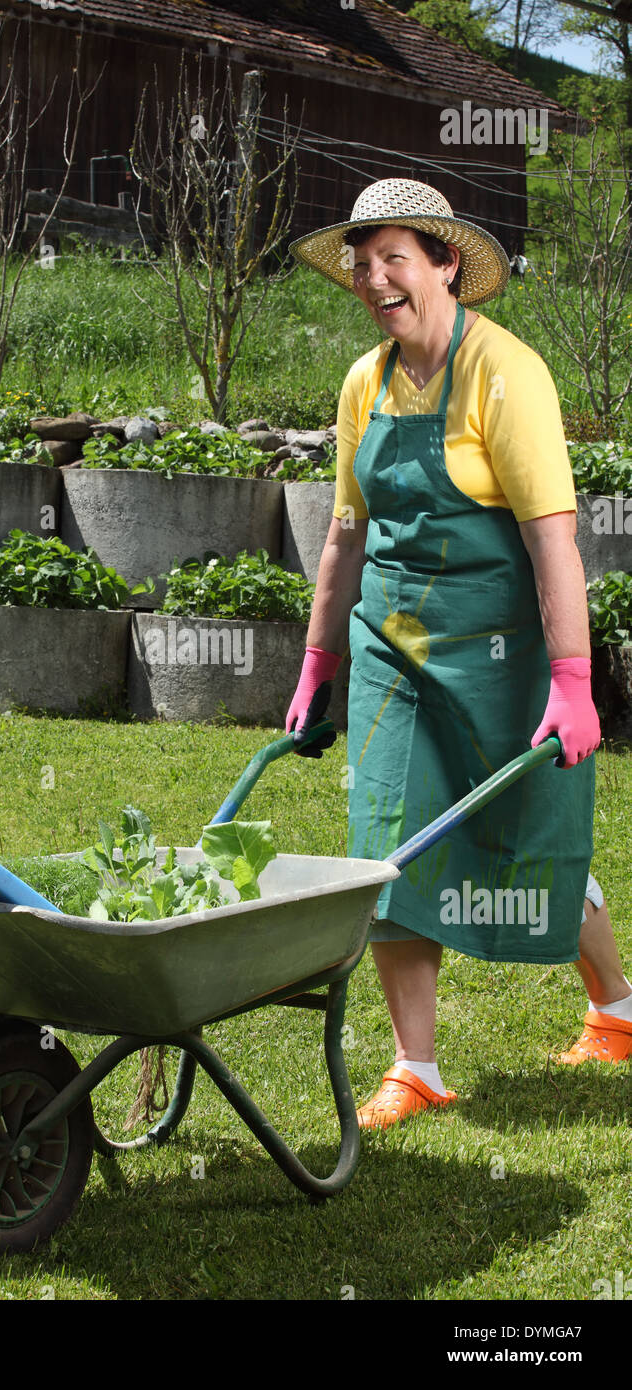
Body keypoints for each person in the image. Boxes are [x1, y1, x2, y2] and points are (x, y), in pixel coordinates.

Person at [286, 179, 632, 1128]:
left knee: (525, 843)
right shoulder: (366, 382)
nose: (375, 279)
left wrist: (572, 682)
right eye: (363, 264)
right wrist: (319, 663)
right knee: (388, 843)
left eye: (395, 257)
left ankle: (616, 1008)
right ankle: (418, 1065)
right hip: (394, 647)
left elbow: (554, 538)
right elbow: (344, 537)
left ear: (445, 265)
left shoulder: (506, 374)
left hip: (501, 650)